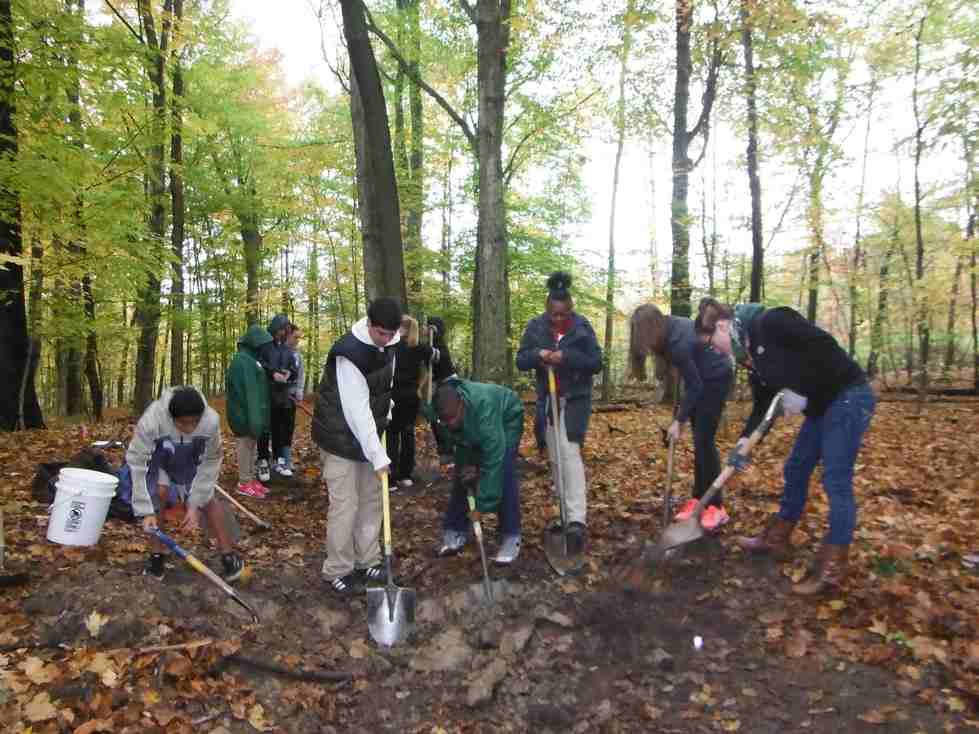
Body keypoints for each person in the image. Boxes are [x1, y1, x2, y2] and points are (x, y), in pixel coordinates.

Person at [694, 298, 876, 595]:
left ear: (723, 326)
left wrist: (804, 391)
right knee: (796, 467)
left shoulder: (773, 321)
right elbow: (763, 405)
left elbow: (823, 348)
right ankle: (778, 537)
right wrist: (744, 441)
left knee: (835, 479)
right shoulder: (749, 356)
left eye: (712, 342)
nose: (714, 350)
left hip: (848, 397)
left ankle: (834, 565)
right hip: (823, 405)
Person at [312, 298, 402, 595]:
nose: (387, 340)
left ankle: (367, 559)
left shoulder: (391, 343)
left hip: (370, 434)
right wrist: (378, 455)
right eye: (381, 334)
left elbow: (384, 387)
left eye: (392, 334)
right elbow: (356, 411)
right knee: (345, 504)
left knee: (372, 499)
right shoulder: (348, 353)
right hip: (339, 437)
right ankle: (338, 568)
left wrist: (387, 411)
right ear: (369, 324)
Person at [516, 272, 602, 554]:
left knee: (569, 452)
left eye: (563, 314)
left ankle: (577, 519)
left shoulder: (582, 327)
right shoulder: (536, 327)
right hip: (548, 399)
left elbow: (595, 362)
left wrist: (567, 358)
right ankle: (564, 512)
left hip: (575, 398)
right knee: (555, 456)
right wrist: (540, 354)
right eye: (553, 314)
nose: (557, 319)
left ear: (570, 309)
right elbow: (521, 359)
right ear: (547, 308)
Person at [627, 303, 734, 530]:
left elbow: (695, 386)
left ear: (653, 329)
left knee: (704, 442)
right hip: (700, 380)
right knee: (700, 442)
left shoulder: (677, 343)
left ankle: (717, 507)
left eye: (645, 338)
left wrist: (679, 421)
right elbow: (687, 381)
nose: (645, 345)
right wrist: (680, 415)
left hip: (715, 379)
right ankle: (699, 499)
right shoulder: (669, 328)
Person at [127, 386, 245, 582]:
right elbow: (139, 463)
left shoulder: (210, 422)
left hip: (191, 457)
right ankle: (156, 557)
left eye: (194, 423)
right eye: (183, 423)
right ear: (172, 418)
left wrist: (194, 504)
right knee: (160, 493)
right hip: (160, 457)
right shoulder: (152, 421)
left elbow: (210, 461)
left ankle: (229, 557)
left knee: (208, 500)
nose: (190, 428)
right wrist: (145, 509)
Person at [434, 379, 525, 564]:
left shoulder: (485, 410)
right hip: (473, 428)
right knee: (463, 474)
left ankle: (511, 535)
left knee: (503, 468)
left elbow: (493, 461)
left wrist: (480, 507)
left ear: (461, 404)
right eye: (445, 420)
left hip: (507, 418)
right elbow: (453, 436)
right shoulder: (441, 410)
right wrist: (469, 465)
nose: (450, 423)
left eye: (453, 418)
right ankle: (455, 530)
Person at [226, 324, 274, 499]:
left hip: (251, 416)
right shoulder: (243, 361)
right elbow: (250, 393)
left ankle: (251, 479)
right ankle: (244, 482)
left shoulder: (251, 360)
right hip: (244, 416)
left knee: (252, 448)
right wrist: (255, 421)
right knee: (245, 448)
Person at [388, 315, 433, 489]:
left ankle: (393, 477)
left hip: (396, 396)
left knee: (393, 435)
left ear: (403, 328)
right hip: (410, 396)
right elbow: (433, 357)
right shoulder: (421, 348)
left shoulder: (392, 346)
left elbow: (430, 364)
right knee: (407, 434)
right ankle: (405, 475)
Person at [256, 314, 292, 483]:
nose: (282, 333)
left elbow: (292, 366)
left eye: (284, 330)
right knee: (264, 429)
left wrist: (289, 372)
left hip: (282, 394)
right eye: (279, 330)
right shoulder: (264, 346)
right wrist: (273, 373)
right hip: (265, 393)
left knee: (280, 428)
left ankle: (280, 460)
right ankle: (263, 460)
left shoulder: (286, 348)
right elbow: (260, 363)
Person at [426, 316, 458, 467]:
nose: (426, 330)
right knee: (434, 418)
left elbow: (439, 358)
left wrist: (434, 333)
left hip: (448, 383)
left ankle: (450, 452)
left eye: (429, 327)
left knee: (445, 417)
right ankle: (445, 451)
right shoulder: (429, 344)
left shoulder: (438, 344)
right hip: (437, 384)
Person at [275, 322, 304, 478]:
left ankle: (286, 458)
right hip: (277, 398)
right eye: (295, 337)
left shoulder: (297, 355)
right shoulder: (277, 352)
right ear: (287, 335)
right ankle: (278, 460)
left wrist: (299, 391)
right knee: (278, 429)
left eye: (299, 338)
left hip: (291, 398)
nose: (297, 340)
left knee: (288, 428)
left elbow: (301, 374)